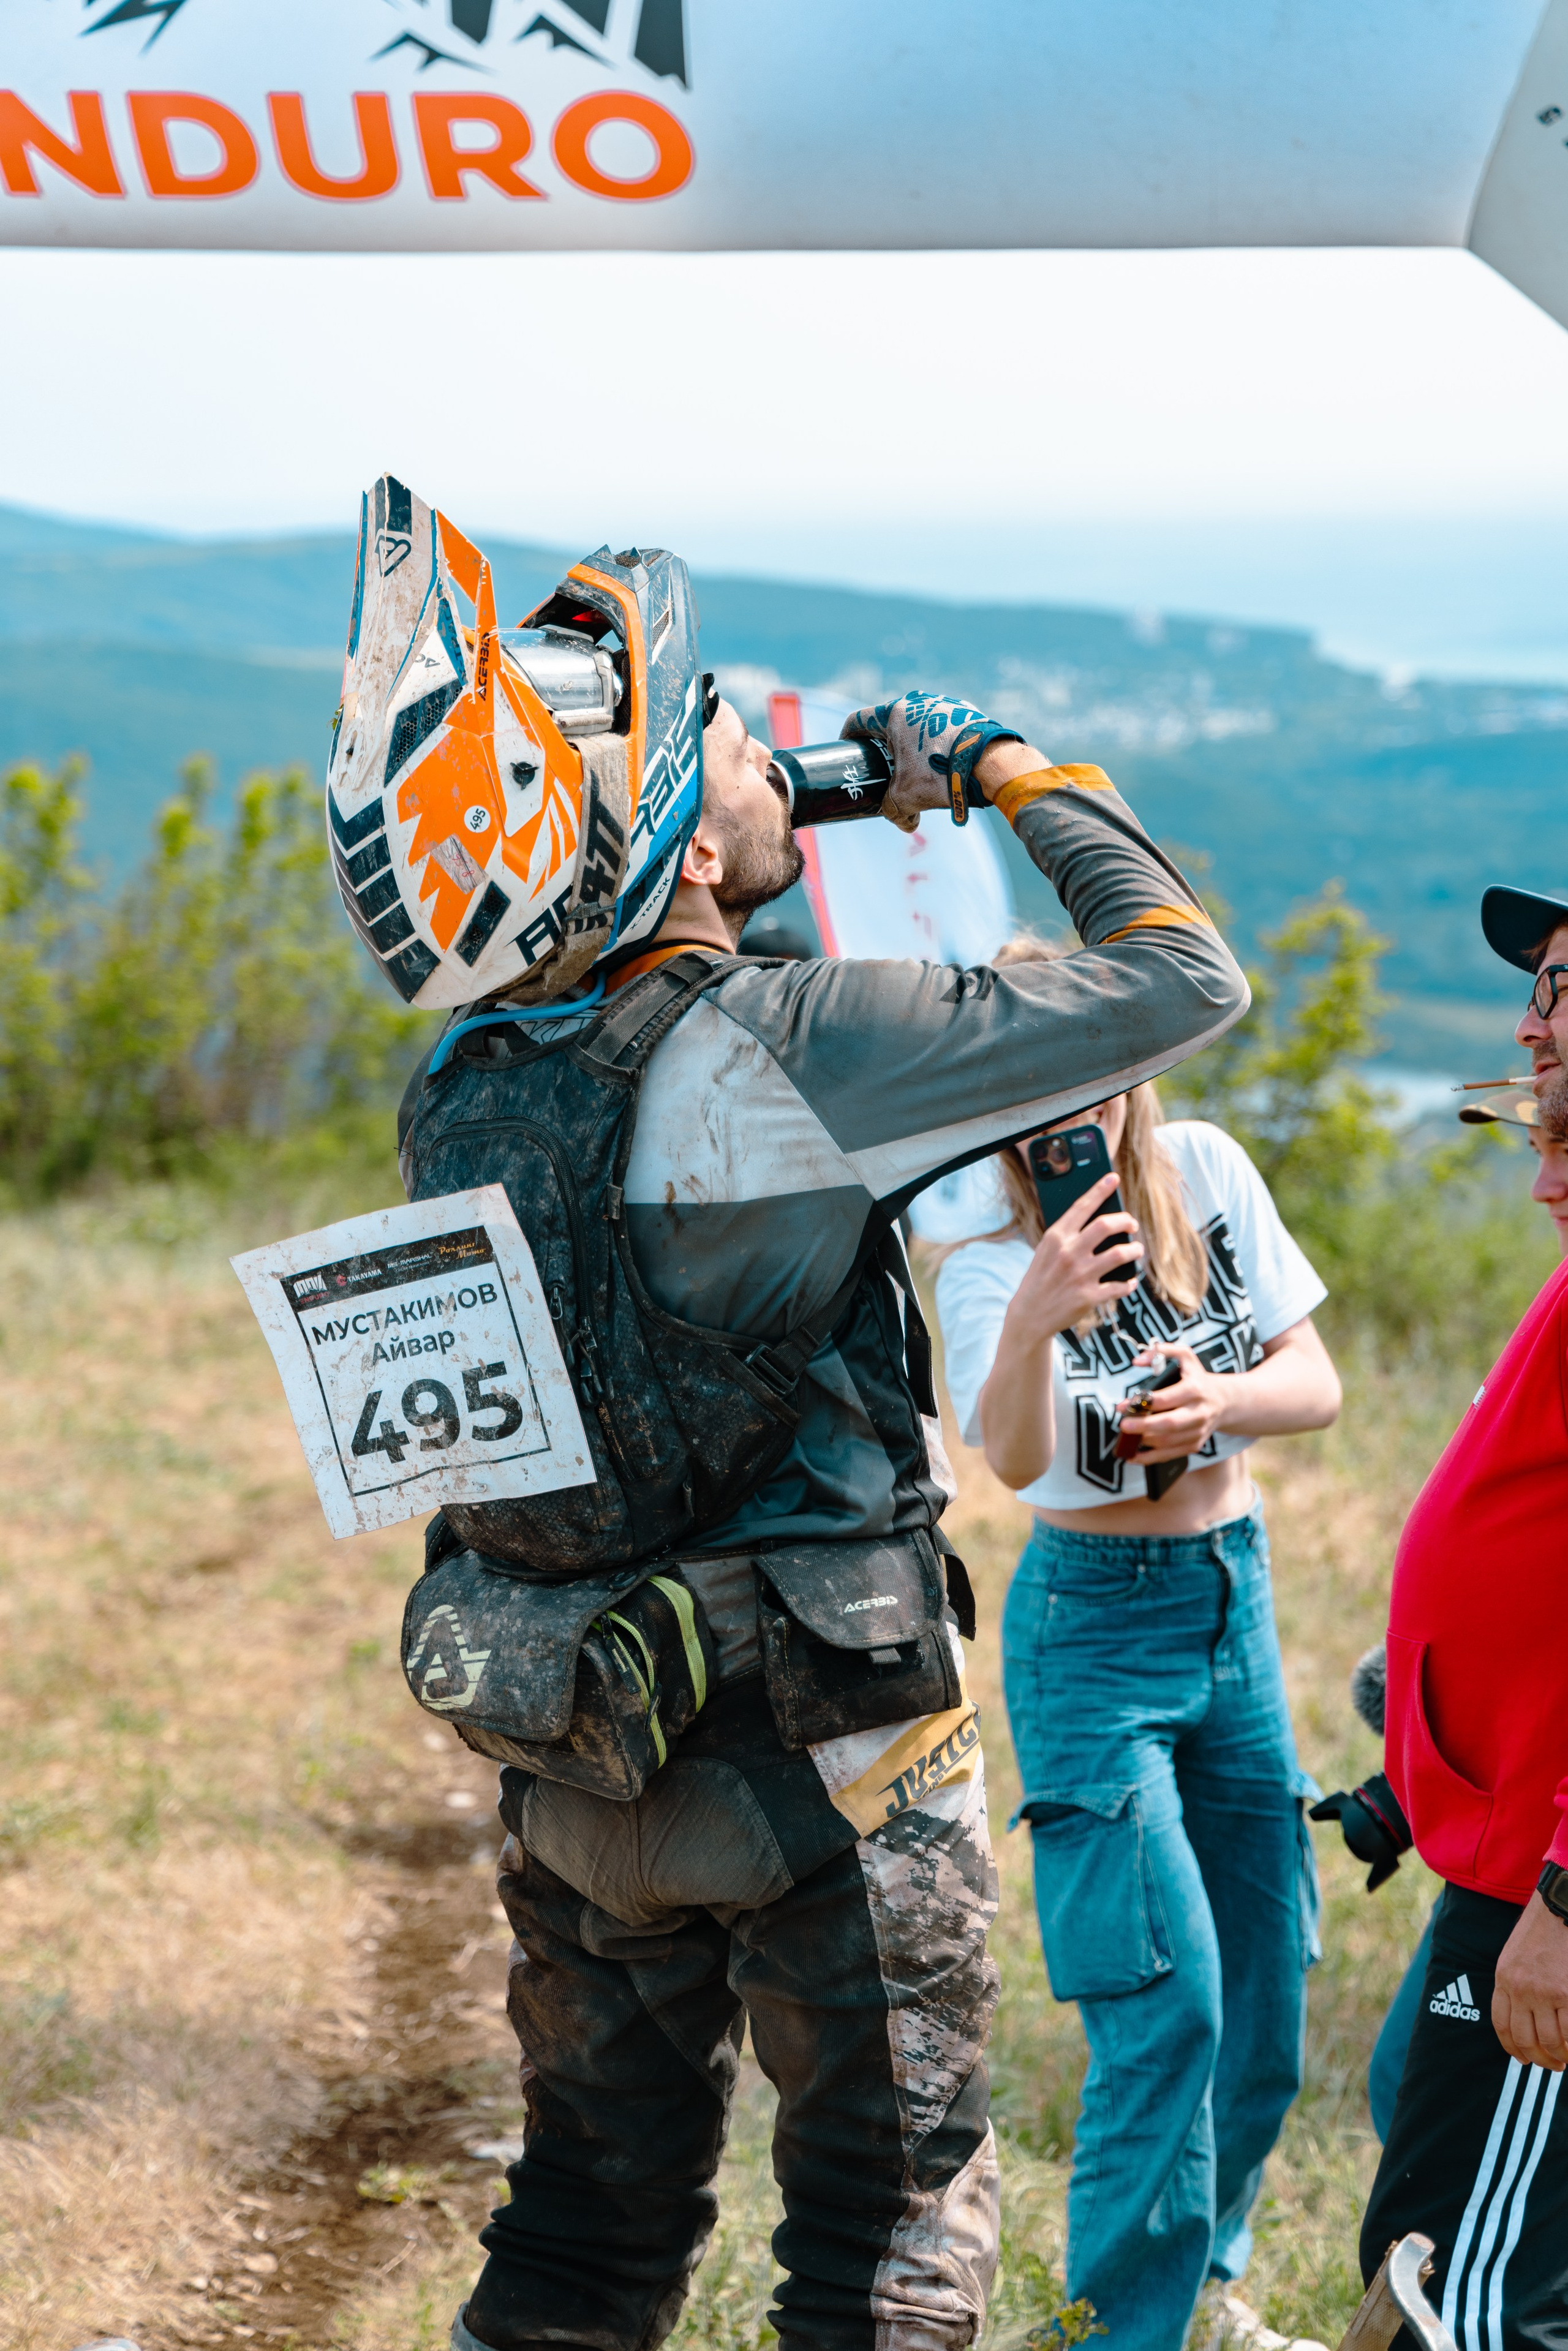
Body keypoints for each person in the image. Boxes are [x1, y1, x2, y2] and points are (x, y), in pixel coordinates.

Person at [330, 485, 1252, 2351]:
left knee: (586, 2216)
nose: (781, 757)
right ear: (673, 836)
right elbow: (1183, 977)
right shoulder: (800, 1038)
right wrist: (1003, 767)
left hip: (579, 1743)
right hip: (822, 1752)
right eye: (738, 734)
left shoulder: (466, 1081)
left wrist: (779, 805)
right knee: (881, 2236)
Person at [935, 957, 1341, 2351]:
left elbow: (1316, 1382)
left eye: (1092, 1072)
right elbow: (1011, 1459)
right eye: (1036, 1084)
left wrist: (1218, 1398)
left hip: (1232, 1600)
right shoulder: (984, 1262)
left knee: (1265, 1993)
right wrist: (1042, 1306)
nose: (1074, 1111)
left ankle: (1205, 2280)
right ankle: (1119, 2328)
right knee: (1164, 2003)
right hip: (1091, 1629)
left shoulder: (1210, 1174)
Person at [1359, 882, 1568, 2351]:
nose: (1524, 1027)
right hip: (1504, 1861)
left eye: (1560, 992)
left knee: (1467, 2296)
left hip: (1542, 1896)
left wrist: (1563, 1902)